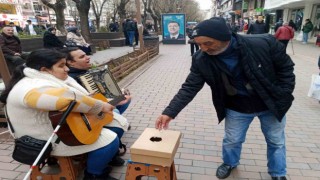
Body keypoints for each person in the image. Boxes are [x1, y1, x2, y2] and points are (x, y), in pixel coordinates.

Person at [155, 17, 295, 180]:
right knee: (232, 140)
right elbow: (190, 87)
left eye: (208, 43)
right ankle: (229, 163)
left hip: (270, 103)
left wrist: (283, 94)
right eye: (199, 44)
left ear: (224, 37)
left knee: (276, 141)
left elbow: (286, 68)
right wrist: (169, 112)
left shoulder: (263, 43)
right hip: (237, 106)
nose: (204, 48)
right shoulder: (202, 59)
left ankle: (278, 173)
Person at [0, 49, 123, 180]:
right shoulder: (32, 88)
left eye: (65, 64)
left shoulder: (38, 79)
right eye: (61, 66)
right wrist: (101, 106)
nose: (67, 69)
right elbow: (67, 100)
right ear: (44, 69)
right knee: (111, 138)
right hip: (40, 139)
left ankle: (100, 160)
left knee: (112, 122)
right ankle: (94, 174)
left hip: (52, 128)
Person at [62, 47, 131, 159]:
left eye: (86, 55)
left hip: (98, 106)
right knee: (118, 109)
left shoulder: (86, 72)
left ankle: (112, 123)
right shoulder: (73, 79)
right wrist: (116, 100)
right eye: (82, 57)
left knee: (125, 98)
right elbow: (92, 102)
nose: (87, 57)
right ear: (71, 62)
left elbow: (102, 94)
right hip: (89, 114)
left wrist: (119, 95)